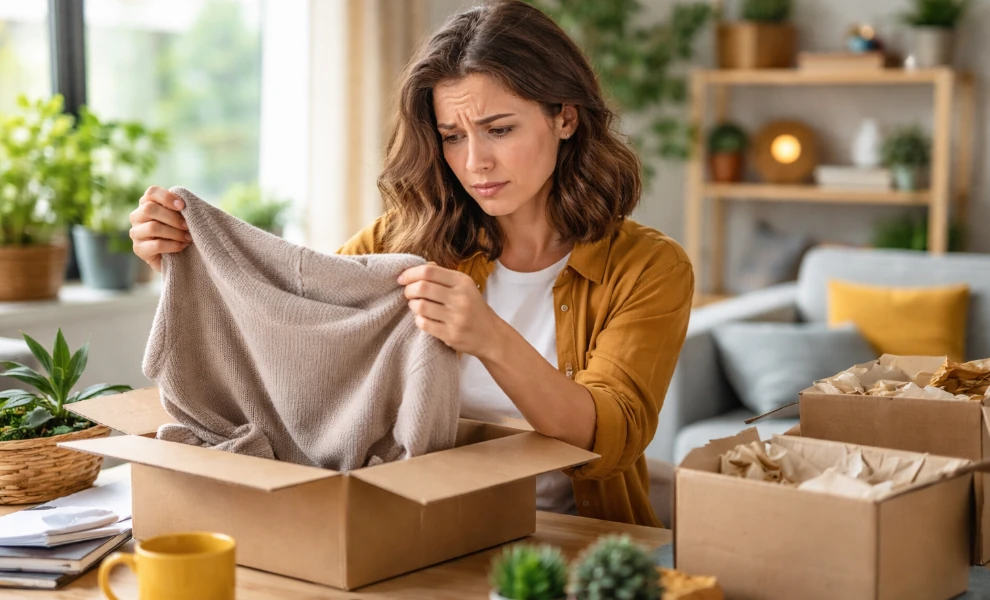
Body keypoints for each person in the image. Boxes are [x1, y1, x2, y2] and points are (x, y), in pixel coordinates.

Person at [129, 0, 692, 528]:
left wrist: (490, 337)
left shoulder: (649, 268)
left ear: (564, 118)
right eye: (452, 136)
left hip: (573, 541)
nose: (476, 162)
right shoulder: (404, 239)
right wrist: (191, 264)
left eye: (500, 129)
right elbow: (296, 333)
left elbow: (610, 439)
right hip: (416, 535)